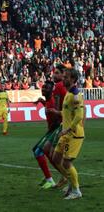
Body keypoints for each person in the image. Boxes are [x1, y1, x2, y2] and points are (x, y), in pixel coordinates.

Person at [53, 68, 85, 200]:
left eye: (66, 77)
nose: (63, 78)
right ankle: (71, 183)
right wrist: (59, 117)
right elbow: (67, 113)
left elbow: (79, 116)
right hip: (65, 132)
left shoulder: (76, 95)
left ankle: (76, 190)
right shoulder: (68, 93)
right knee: (56, 158)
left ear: (73, 79)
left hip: (73, 134)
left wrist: (68, 129)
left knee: (66, 163)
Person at [33, 81, 60, 189]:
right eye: (43, 88)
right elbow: (48, 107)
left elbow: (58, 117)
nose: (43, 90)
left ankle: (50, 180)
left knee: (38, 151)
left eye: (46, 88)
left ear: (51, 90)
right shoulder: (48, 100)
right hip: (51, 130)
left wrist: (52, 130)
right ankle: (48, 177)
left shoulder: (53, 101)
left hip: (54, 131)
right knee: (46, 153)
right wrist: (42, 102)